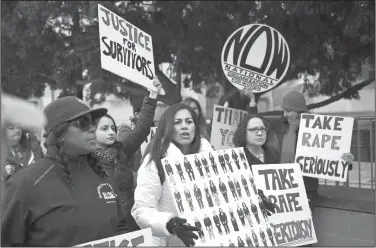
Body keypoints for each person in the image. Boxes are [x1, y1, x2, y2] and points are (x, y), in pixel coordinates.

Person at [1, 96, 127, 246]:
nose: (93, 128)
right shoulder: (27, 183)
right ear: (59, 135)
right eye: (83, 123)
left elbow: (121, 226)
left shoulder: (103, 173)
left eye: (93, 121)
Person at [244, 90, 354, 213]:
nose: (285, 114)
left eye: (289, 110)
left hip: (306, 189)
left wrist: (346, 162)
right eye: (284, 110)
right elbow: (255, 122)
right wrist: (252, 103)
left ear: (300, 111)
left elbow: (330, 161)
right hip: (280, 186)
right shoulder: (279, 124)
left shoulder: (317, 129)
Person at [131, 103, 214, 246]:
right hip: (167, 242)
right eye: (177, 122)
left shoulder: (212, 158)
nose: (184, 126)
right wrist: (170, 224)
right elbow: (141, 210)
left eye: (189, 121)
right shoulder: (155, 161)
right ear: (168, 127)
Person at [94, 80, 162, 232]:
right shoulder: (84, 159)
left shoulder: (122, 151)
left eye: (113, 128)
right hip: (103, 227)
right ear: (92, 132)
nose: (111, 132)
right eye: (104, 129)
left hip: (130, 223)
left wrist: (152, 97)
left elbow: (141, 129)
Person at [1, 92, 46, 189]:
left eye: (18, 127)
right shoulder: (3, 151)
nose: (17, 131)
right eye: (11, 128)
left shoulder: (33, 143)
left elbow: (45, 166)